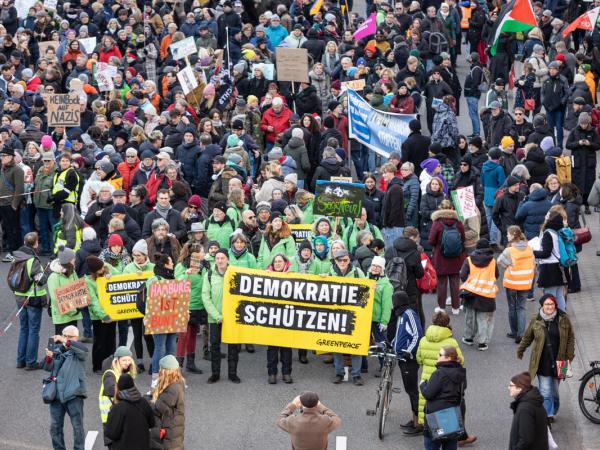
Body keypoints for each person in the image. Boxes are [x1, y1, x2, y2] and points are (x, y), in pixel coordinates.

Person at [517, 294, 575, 422]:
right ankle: (548, 415)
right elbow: (527, 337)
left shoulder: (563, 318)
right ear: (542, 306)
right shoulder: (536, 319)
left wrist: (569, 357)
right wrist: (521, 350)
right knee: (545, 390)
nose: (549, 307)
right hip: (541, 362)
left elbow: (571, 338)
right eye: (546, 304)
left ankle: (554, 408)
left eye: (552, 304)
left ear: (555, 305)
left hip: (561, 361)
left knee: (555, 391)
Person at [416, 311, 464, 429]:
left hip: (427, 378)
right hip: (446, 380)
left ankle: (427, 429)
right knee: (445, 411)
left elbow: (419, 359)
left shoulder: (423, 340)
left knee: (426, 406)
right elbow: (460, 361)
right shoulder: (451, 342)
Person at [43, 325, 88, 450]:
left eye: (70, 337)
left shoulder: (79, 349)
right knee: (55, 427)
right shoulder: (57, 349)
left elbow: (84, 352)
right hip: (56, 395)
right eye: (65, 336)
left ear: (77, 338)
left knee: (77, 427)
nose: (67, 338)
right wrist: (49, 357)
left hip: (73, 394)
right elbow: (47, 368)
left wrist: (64, 341)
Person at [203, 248, 241, 383]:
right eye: (217, 258)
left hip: (232, 318)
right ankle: (215, 373)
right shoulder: (208, 275)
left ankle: (232, 373)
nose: (219, 261)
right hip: (214, 319)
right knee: (215, 346)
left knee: (233, 347)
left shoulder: (235, 273)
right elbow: (206, 297)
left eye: (222, 258)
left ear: (227, 259)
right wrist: (217, 316)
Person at [420, 345, 467, 450]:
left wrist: (423, 384)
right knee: (450, 446)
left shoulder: (439, 374)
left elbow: (428, 394)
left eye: (440, 354)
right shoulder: (461, 373)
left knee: (431, 447)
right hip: (452, 418)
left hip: (436, 419)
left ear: (449, 358)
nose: (437, 356)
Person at [13, 232, 48, 370]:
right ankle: (31, 362)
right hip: (32, 298)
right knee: (33, 330)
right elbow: (40, 280)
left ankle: (20, 360)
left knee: (24, 329)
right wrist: (47, 272)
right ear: (36, 244)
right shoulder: (33, 261)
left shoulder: (16, 257)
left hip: (19, 297)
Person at [330, 249, 365, 386]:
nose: (343, 263)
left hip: (354, 315)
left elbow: (367, 287)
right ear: (336, 261)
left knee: (355, 346)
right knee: (336, 345)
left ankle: (356, 374)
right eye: (340, 260)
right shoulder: (330, 272)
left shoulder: (357, 272)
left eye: (345, 260)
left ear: (349, 260)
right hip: (336, 314)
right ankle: (339, 373)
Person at [497, 226, 536, 344]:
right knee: (522, 307)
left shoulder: (509, 250)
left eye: (508, 234)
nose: (507, 236)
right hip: (525, 282)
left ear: (513, 235)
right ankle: (521, 334)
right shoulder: (529, 248)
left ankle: (514, 332)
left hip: (512, 282)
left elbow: (499, 261)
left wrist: (507, 266)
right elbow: (533, 263)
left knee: (512, 307)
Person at [175, 242, 209, 374]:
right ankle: (178, 366)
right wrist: (186, 274)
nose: (204, 254)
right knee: (183, 335)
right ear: (194, 254)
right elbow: (176, 284)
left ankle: (190, 363)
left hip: (199, 305)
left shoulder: (204, 266)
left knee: (193, 334)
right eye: (202, 252)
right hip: (186, 306)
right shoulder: (181, 266)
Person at [394, 290, 424, 435]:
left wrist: (408, 351)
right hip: (402, 358)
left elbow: (418, 334)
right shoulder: (401, 315)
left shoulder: (409, 314)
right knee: (409, 390)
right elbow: (401, 334)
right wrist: (392, 344)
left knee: (412, 391)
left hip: (409, 359)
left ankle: (418, 423)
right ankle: (414, 418)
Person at [459, 238, 499, 351]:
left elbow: (462, 276)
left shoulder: (469, 260)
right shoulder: (493, 261)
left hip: (470, 294)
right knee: (484, 319)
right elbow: (496, 275)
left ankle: (468, 338)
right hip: (487, 295)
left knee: (470, 318)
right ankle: (482, 342)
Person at [146, 253, 178, 388]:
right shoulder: (154, 279)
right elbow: (151, 299)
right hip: (159, 318)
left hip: (173, 317)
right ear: (165, 264)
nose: (173, 265)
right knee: (160, 347)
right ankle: (155, 377)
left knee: (171, 346)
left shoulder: (173, 278)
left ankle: (171, 376)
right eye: (171, 262)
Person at [428, 200, 465, 314]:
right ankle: (456, 308)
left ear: (440, 208)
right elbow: (463, 238)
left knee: (442, 283)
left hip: (441, 257)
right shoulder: (458, 222)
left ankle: (442, 307)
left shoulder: (437, 223)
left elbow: (431, 240)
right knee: (455, 282)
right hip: (456, 257)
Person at [104, 373, 154, 450]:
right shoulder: (143, 402)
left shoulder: (118, 408)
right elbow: (152, 423)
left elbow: (111, 434)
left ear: (119, 387)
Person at [277, 392, 341, 449]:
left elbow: (279, 420)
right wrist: (321, 407)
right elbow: (336, 419)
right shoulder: (325, 421)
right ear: (317, 404)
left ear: (301, 404)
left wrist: (293, 405)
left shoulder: (292, 421)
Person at [266, 253, 294, 384]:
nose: (277, 263)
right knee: (272, 348)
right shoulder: (266, 275)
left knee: (286, 349)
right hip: (271, 317)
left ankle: (286, 373)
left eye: (280, 261)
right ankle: (272, 373)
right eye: (275, 261)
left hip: (287, 317)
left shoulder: (292, 276)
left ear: (285, 263)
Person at [85, 255, 115, 373]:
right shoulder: (88, 282)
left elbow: (119, 274)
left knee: (111, 341)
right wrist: (103, 315)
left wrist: (109, 271)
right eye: (100, 269)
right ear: (93, 271)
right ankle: (97, 366)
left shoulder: (104, 273)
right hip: (98, 317)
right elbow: (93, 302)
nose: (103, 270)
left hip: (112, 313)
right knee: (100, 342)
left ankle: (109, 364)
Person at [532, 212, 567, 311]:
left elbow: (546, 253)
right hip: (557, 267)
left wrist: (532, 252)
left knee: (549, 297)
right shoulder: (556, 232)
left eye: (547, 215)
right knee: (559, 295)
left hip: (549, 269)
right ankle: (562, 319)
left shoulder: (548, 233)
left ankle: (553, 321)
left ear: (550, 219)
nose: (545, 216)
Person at [150, 355, 185, 450]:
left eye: (161, 368)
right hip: (173, 427)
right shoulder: (177, 383)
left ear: (165, 371)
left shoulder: (173, 389)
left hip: (170, 431)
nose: (159, 370)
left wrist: (146, 401)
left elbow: (159, 407)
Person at [508, 371, 549, 450]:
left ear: (519, 388)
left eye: (511, 385)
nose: (508, 387)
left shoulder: (525, 409)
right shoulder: (534, 400)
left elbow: (525, 439)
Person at [47, 246, 82, 335]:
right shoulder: (53, 277)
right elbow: (56, 299)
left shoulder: (73, 273)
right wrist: (73, 310)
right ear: (68, 261)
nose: (75, 260)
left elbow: (78, 290)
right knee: (61, 345)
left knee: (72, 344)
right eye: (73, 259)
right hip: (61, 318)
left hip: (73, 316)